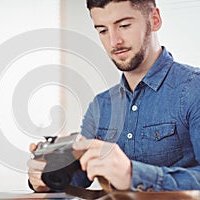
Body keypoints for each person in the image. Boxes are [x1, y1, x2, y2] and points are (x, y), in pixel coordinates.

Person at [27, 0, 200, 192]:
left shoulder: (195, 89)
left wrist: (131, 174)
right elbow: (78, 180)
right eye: (102, 30)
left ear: (154, 20)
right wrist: (46, 177)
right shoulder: (100, 106)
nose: (113, 42)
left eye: (124, 26)